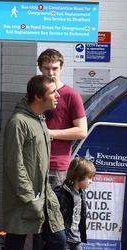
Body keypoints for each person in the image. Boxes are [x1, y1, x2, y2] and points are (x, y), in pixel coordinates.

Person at [1, 75, 66, 250]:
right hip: (23, 199)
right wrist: (29, 198)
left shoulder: (39, 120)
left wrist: (44, 197)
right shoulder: (19, 122)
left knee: (58, 241)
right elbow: (14, 165)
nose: (57, 95)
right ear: (38, 96)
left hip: (44, 196)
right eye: (53, 92)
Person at [37, 48, 87, 188]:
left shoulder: (71, 95)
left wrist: (49, 133)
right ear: (40, 68)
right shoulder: (35, 94)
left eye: (55, 68)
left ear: (61, 68)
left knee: (54, 207)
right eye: (46, 68)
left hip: (56, 165)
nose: (51, 73)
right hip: (34, 162)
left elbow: (82, 131)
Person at [54, 157, 98, 250]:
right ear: (79, 177)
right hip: (65, 237)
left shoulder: (81, 193)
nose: (91, 182)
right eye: (89, 178)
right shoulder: (62, 193)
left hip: (76, 238)